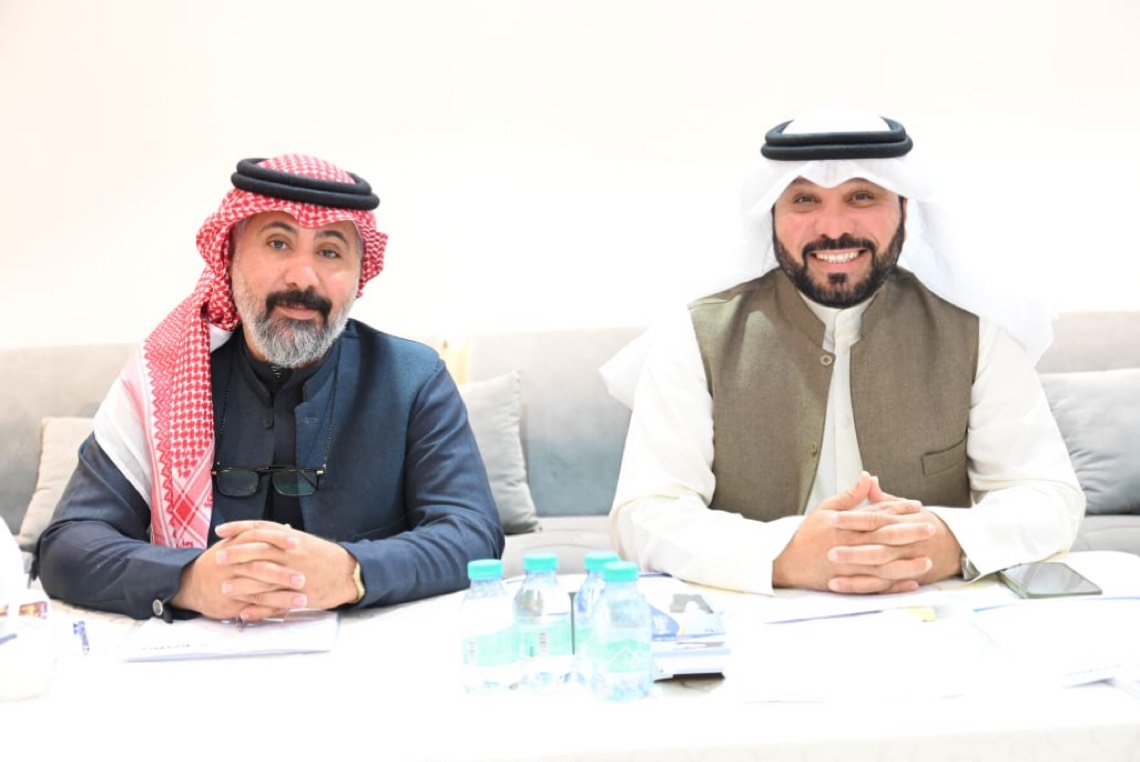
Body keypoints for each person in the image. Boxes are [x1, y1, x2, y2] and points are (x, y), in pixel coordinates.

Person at [608, 107, 1085, 595]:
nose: (833, 227)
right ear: (771, 215)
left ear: (905, 210)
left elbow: (1048, 496)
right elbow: (645, 512)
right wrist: (781, 555)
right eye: (804, 200)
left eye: (862, 196)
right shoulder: (697, 335)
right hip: (755, 613)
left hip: (929, 611)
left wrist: (942, 541)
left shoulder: (975, 329)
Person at [36, 155, 504, 621]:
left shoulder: (413, 378)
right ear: (231, 257)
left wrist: (351, 572)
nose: (303, 278)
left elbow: (472, 534)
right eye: (278, 243)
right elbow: (67, 545)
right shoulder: (165, 379)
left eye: (330, 252)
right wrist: (188, 580)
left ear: (359, 275)